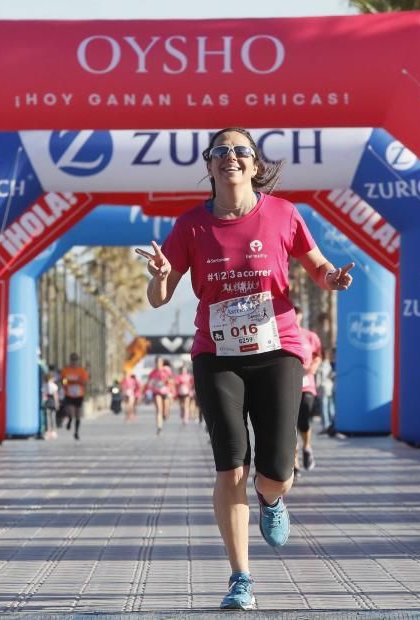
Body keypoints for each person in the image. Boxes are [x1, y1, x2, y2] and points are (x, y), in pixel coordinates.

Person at [135, 127, 354, 610]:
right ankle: (241, 578)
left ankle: (272, 498)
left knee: (276, 469)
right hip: (216, 354)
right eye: (220, 152)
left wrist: (332, 277)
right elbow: (159, 296)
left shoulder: (283, 214)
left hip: (278, 350)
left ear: (254, 164)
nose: (229, 157)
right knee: (230, 462)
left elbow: (316, 265)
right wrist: (161, 277)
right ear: (209, 166)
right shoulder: (191, 225)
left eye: (240, 151)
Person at [294, 306, 323, 475]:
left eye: (297, 313)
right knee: (290, 426)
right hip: (289, 383)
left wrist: (314, 366)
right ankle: (294, 464)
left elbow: (318, 355)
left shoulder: (310, 336)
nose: (294, 316)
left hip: (307, 384)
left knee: (304, 419)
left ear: (301, 315)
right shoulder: (280, 335)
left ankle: (307, 447)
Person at [60, 352, 89, 439]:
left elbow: (85, 382)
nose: (74, 362)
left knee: (78, 414)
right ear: (70, 361)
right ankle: (69, 419)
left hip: (79, 394)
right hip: (69, 394)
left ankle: (76, 432)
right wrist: (67, 382)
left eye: (75, 360)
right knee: (70, 411)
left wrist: (80, 381)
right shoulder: (66, 370)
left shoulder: (82, 371)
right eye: (72, 360)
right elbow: (63, 381)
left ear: (78, 361)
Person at [145, 356, 175, 435]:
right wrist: (150, 385)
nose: (158, 364)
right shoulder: (152, 373)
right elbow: (148, 384)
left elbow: (172, 381)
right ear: (155, 363)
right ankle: (159, 427)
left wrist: (167, 382)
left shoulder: (167, 371)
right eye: (157, 362)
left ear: (162, 363)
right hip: (157, 392)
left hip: (166, 392)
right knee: (159, 410)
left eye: (160, 362)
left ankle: (165, 415)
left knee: (165, 412)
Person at [315, 348, 336, 436]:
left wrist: (316, 387)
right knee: (331, 406)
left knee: (324, 407)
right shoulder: (330, 365)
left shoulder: (321, 365)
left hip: (323, 387)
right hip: (330, 386)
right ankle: (333, 424)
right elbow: (333, 375)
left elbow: (318, 379)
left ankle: (326, 426)